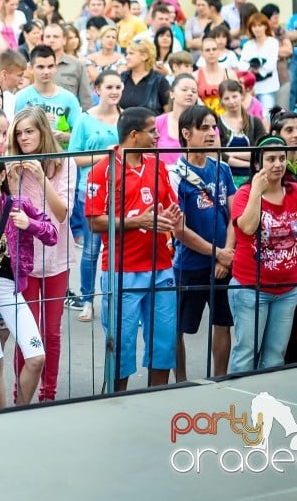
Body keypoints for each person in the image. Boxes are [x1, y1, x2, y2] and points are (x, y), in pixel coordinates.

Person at [86, 107, 183, 391]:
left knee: (163, 342)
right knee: (121, 344)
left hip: (161, 266)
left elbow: (169, 209)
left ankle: (156, 399)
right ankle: (116, 402)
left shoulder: (158, 166)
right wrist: (136, 221)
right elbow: (93, 221)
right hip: (122, 270)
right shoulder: (102, 170)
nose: (157, 135)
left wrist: (173, 219)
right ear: (133, 134)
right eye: (152, 131)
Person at [230, 135, 297, 373]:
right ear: (257, 165)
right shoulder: (244, 193)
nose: (278, 164)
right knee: (246, 354)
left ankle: (264, 406)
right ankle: (239, 408)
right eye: (270, 159)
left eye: (282, 158)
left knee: (274, 356)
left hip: (287, 289)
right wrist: (256, 193)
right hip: (251, 288)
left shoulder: (296, 192)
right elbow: (248, 227)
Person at [0, 148, 55, 407]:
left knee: (36, 357)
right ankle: (1, 415)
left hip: (10, 289)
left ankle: (20, 411)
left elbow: (52, 234)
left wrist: (30, 224)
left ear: (2, 174)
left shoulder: (19, 205)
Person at [6, 107, 76, 402]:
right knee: (28, 334)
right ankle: (19, 397)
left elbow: (62, 214)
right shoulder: (11, 166)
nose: (23, 138)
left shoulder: (64, 163)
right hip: (25, 262)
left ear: (43, 133)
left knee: (52, 333)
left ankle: (49, 395)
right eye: (19, 133)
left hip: (58, 259)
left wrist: (41, 175)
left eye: (29, 131)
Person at [170, 105, 236, 381]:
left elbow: (236, 214)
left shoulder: (222, 168)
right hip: (191, 263)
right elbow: (178, 229)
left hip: (224, 262)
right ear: (187, 133)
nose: (212, 133)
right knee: (178, 326)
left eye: (214, 127)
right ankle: (182, 382)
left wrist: (228, 254)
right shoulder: (175, 174)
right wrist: (218, 253)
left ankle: (219, 379)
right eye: (205, 128)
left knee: (223, 322)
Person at [67, 70, 122, 320]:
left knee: (120, 249)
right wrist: (106, 155)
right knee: (91, 249)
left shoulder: (126, 118)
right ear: (97, 89)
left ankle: (118, 298)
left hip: (122, 191)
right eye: (109, 87)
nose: (114, 91)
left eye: (118, 87)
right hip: (90, 190)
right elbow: (73, 158)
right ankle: (88, 300)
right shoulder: (84, 120)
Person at [14, 44, 82, 147]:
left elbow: (80, 136)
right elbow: (13, 133)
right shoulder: (20, 98)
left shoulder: (69, 99)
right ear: (31, 69)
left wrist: (64, 136)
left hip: (61, 158)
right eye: (40, 67)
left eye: (50, 66)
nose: (46, 71)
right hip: (30, 158)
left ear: (56, 67)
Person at [217, 79, 267, 185]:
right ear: (221, 101)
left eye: (234, 96)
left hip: (253, 179)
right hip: (225, 178)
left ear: (241, 96)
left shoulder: (255, 122)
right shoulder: (217, 123)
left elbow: (260, 151)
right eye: (226, 98)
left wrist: (232, 153)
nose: (231, 101)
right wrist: (248, 163)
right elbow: (219, 155)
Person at [155, 74, 198, 167]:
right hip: (164, 177)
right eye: (184, 89)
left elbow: (214, 161)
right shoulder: (157, 122)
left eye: (194, 91)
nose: (190, 93)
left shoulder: (206, 124)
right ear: (172, 94)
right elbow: (148, 157)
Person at [119, 39, 169, 115]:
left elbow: (168, 114)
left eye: (131, 53)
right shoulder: (122, 78)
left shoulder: (159, 81)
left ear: (144, 56)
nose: (127, 57)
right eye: (126, 54)